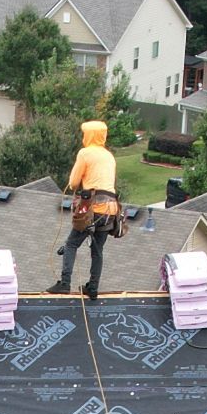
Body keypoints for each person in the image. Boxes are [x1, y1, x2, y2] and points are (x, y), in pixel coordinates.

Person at [48, 121, 123, 297]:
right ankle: (93, 287)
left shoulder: (85, 153)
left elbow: (74, 183)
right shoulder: (109, 156)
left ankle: (65, 283)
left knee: (72, 243)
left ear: (89, 135)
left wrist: (77, 185)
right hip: (111, 209)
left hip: (92, 207)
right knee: (97, 250)